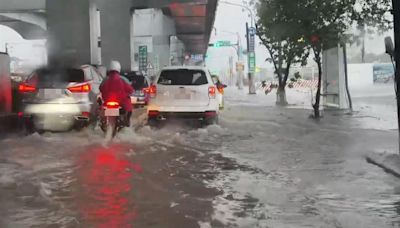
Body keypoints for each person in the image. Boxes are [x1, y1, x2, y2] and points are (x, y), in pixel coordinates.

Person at [100, 60, 134, 127]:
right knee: (129, 109)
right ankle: (126, 122)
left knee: (101, 110)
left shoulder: (105, 80)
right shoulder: (122, 79)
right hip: (120, 101)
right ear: (119, 69)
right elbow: (130, 90)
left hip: (107, 101)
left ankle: (103, 122)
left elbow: (101, 88)